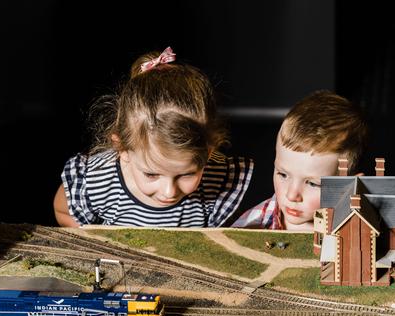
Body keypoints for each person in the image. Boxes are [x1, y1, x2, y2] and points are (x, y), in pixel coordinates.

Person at [53, 47, 254, 227]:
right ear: (122, 149)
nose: (169, 192)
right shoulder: (97, 179)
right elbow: (63, 211)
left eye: (186, 174)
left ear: (209, 151)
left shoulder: (219, 181)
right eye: (151, 175)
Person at [232, 90, 367, 230]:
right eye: (283, 175)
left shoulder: (362, 232)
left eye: (313, 184)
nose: (291, 195)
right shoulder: (250, 226)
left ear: (351, 187)